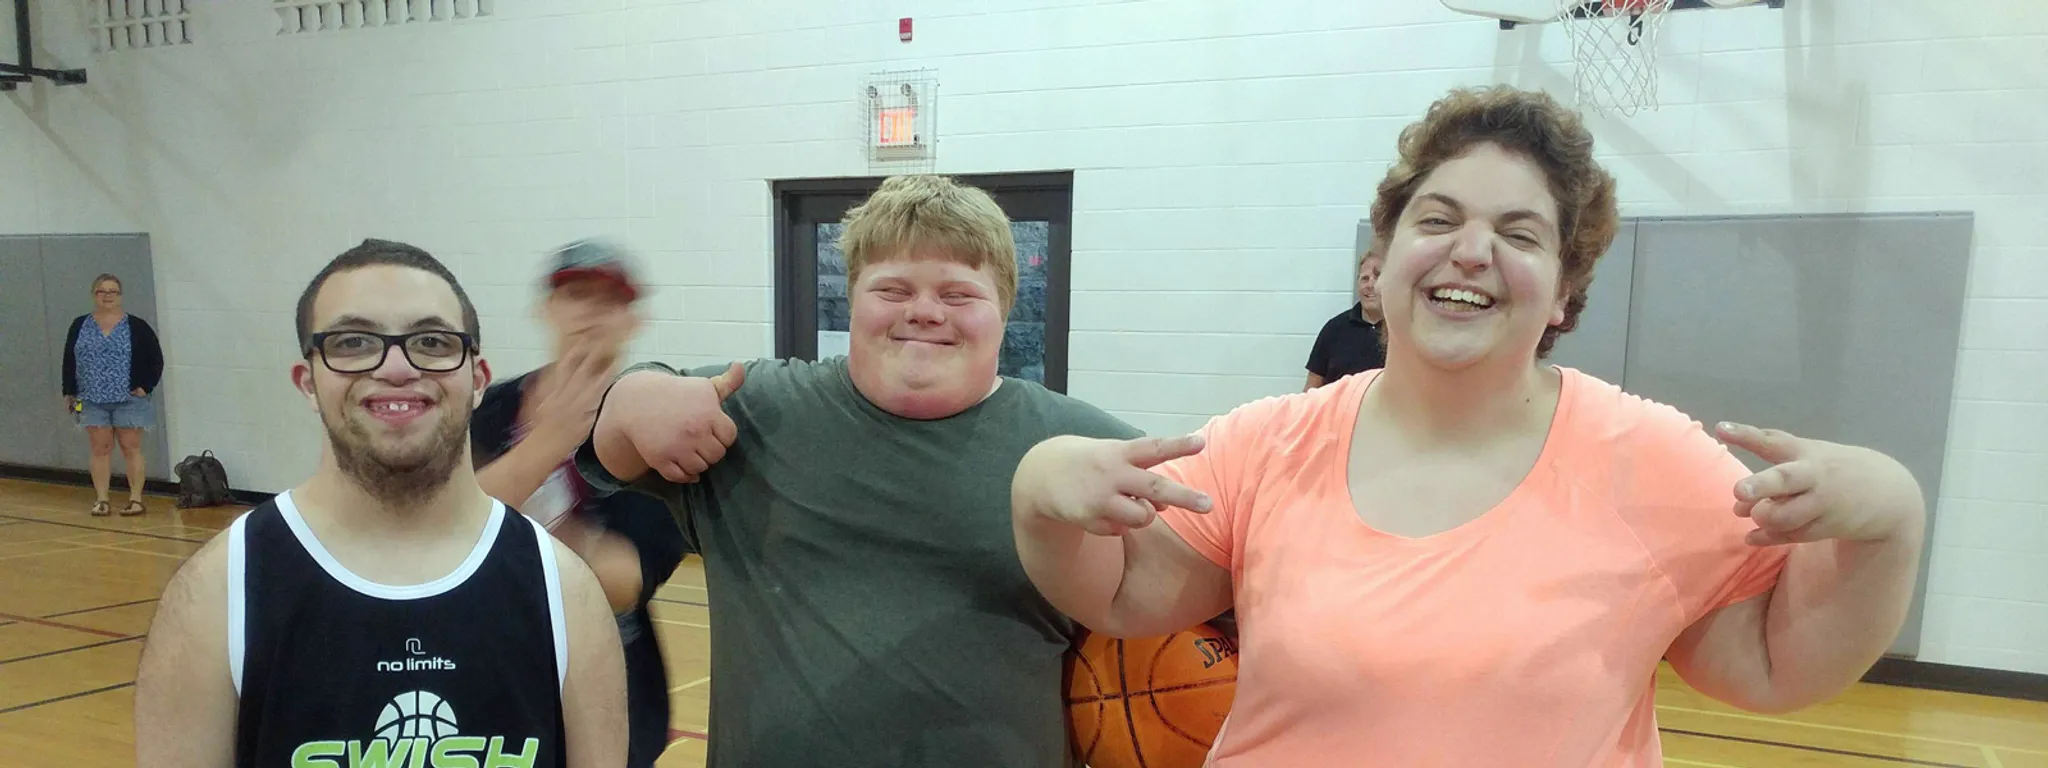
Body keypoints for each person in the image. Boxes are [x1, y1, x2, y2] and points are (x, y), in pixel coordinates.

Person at [1009, 85, 1928, 766]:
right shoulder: (1270, 442)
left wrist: (1889, 523)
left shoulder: (1652, 459)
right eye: (1438, 219)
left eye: (1520, 234)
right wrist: (1042, 496)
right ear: (1383, 261)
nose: (1471, 251)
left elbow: (1770, 666)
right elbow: (1125, 598)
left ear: (1564, 291)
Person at [570, 174, 1151, 767]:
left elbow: (1204, 546)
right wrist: (638, 392)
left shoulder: (1084, 444)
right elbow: (607, 443)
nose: (924, 312)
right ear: (852, 300)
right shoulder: (755, 411)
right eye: (893, 290)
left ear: (1002, 309)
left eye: (958, 295)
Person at [133, 239, 627, 768]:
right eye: (353, 342)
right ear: (307, 381)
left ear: (477, 378)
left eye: (432, 341)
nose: (396, 367)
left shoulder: (565, 591)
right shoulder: (216, 593)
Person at [471, 238, 687, 768]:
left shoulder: (657, 428)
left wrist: (513, 498)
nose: (590, 312)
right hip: (493, 659)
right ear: (546, 309)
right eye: (576, 296)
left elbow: (621, 579)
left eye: (608, 300)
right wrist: (547, 444)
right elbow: (438, 527)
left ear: (633, 320)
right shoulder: (493, 409)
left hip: (605, 677)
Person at [61, 273, 165, 517]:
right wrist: (69, 391)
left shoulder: (136, 326)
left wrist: (145, 386)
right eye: (102, 291)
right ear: (94, 294)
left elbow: (156, 358)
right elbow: (69, 359)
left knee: (131, 447)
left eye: (112, 291)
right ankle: (102, 499)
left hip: (129, 399)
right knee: (100, 448)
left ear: (120, 295)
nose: (107, 296)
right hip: (89, 398)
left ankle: (136, 499)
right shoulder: (80, 325)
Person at [1303, 249, 1386, 390]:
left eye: (1377, 278)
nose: (1370, 285)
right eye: (1365, 278)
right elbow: (1311, 388)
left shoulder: (1403, 331)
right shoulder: (1334, 329)